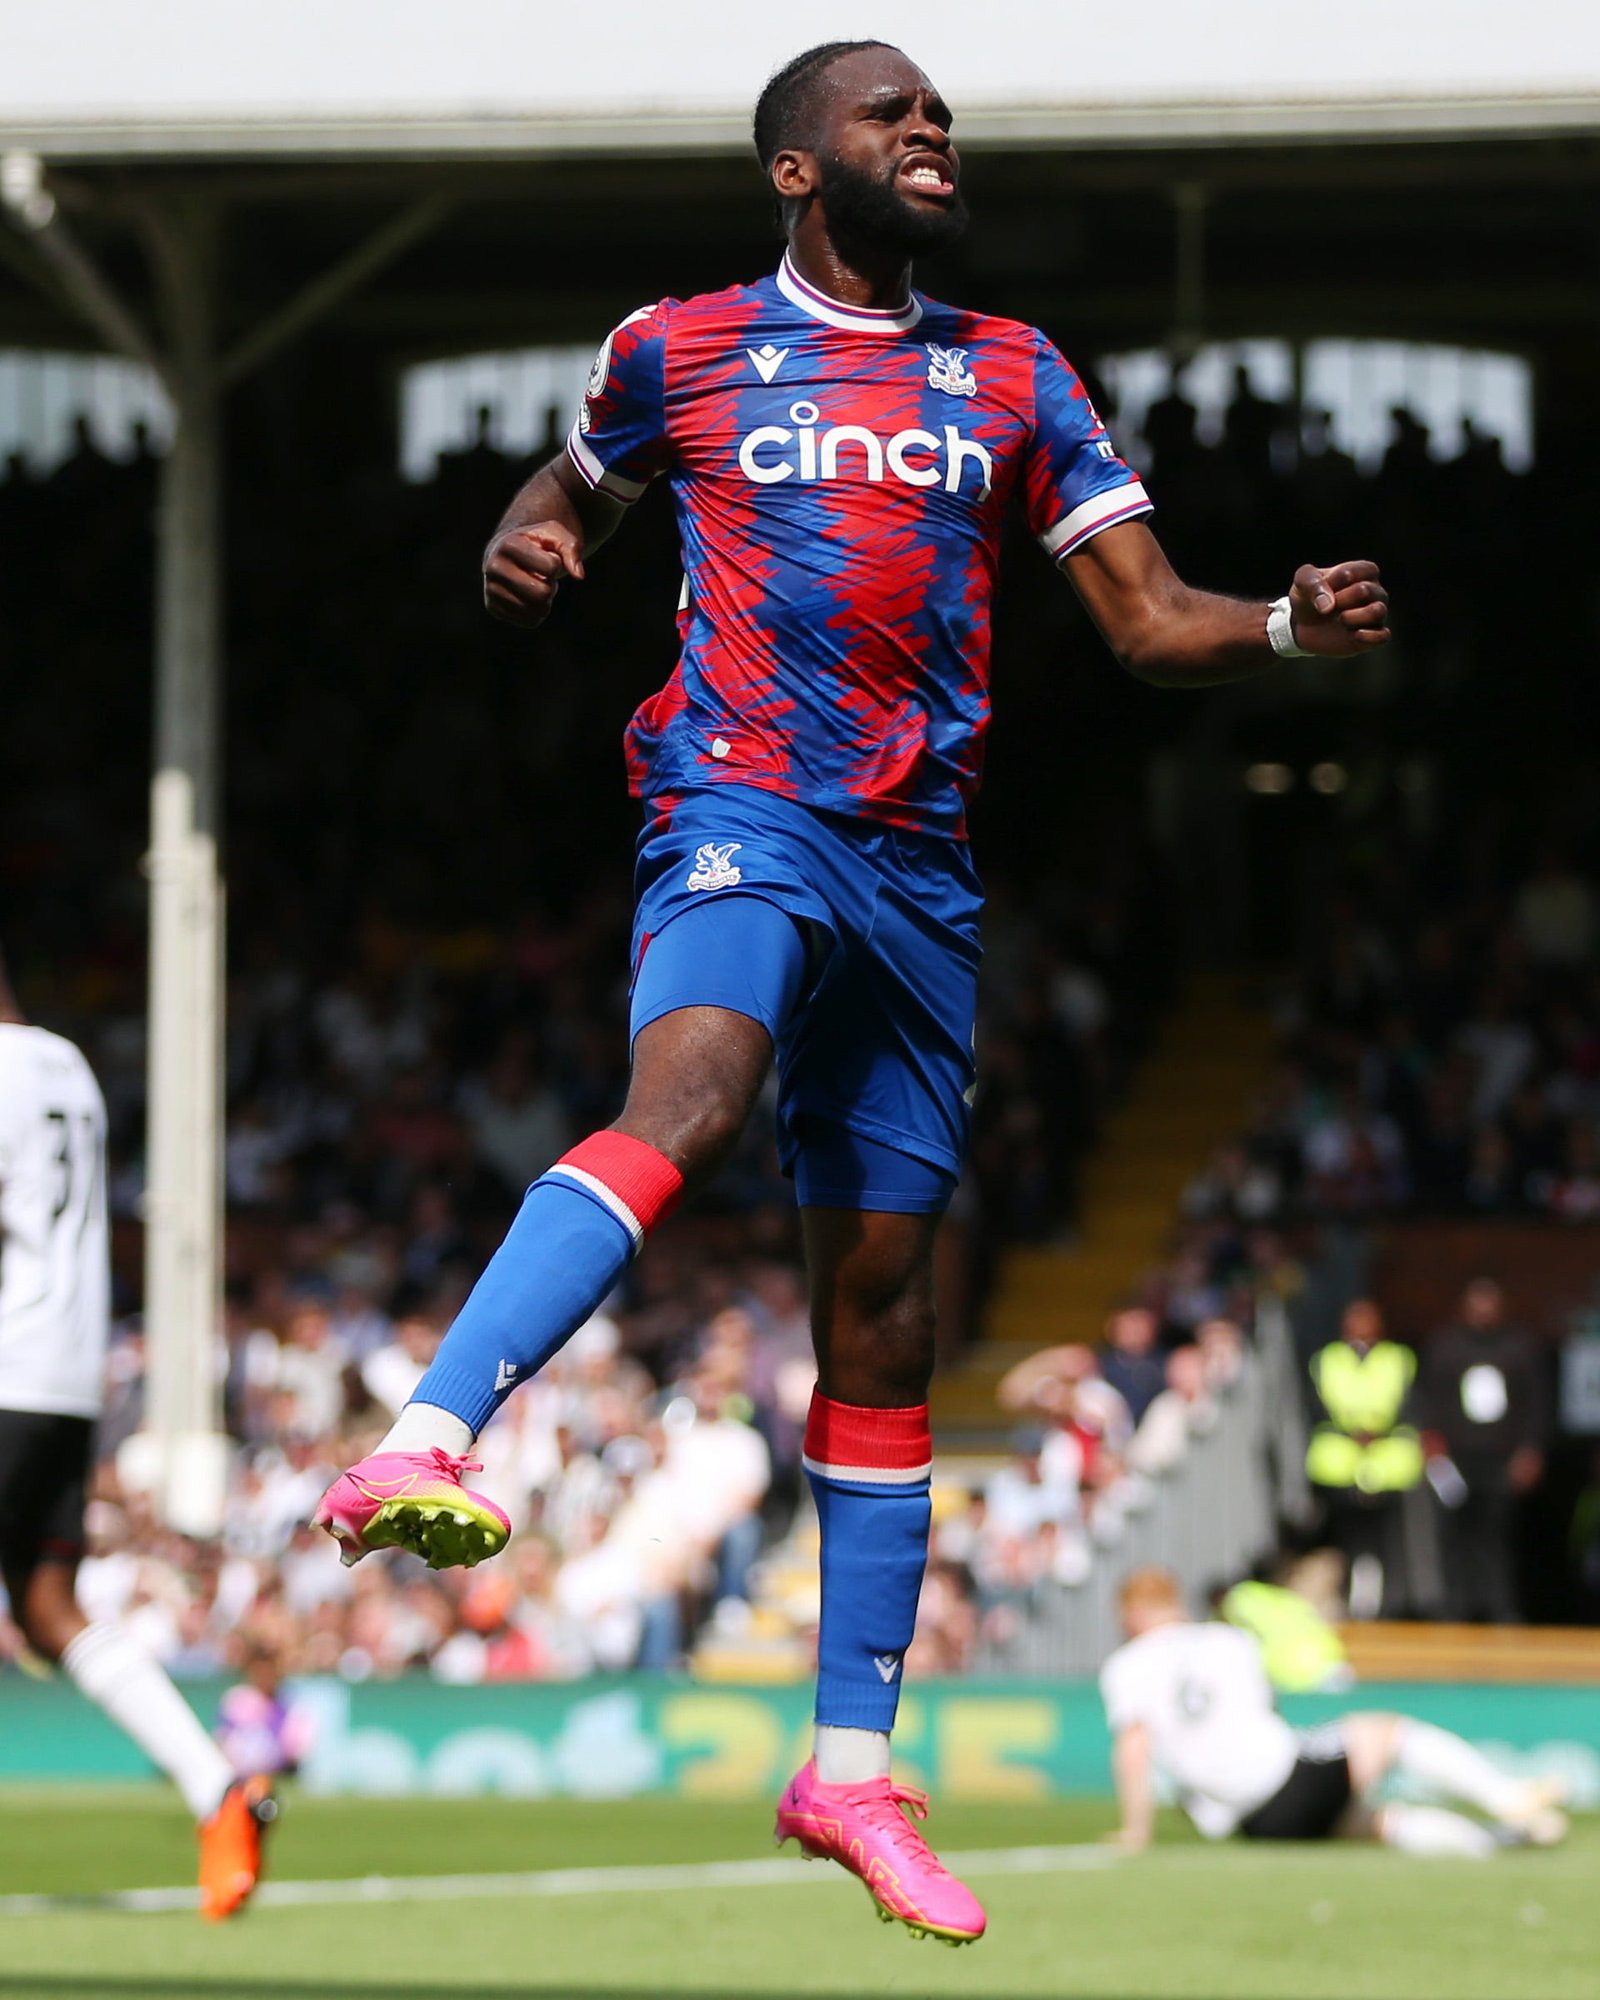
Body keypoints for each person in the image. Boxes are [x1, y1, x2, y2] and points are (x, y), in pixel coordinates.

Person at [316, 39, 1389, 1944]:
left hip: (923, 872)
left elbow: (1146, 621)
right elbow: (559, 495)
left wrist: (1287, 621)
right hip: (740, 802)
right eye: (890, 113)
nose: (930, 131)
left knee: (883, 1322)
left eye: (941, 115)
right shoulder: (681, 345)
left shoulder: (1013, 371)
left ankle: (847, 1772)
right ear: (800, 168)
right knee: (695, 1093)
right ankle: (432, 1429)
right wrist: (529, 543)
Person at [0, 945, 275, 1919]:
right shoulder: (65, 1066)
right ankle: (218, 1789)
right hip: (64, 1377)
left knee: (46, 1602)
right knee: (45, 1605)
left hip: (5, 1365)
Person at [1103, 1569, 1564, 1856]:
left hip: (1252, 1823)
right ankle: (1506, 1798)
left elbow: (1134, 1749)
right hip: (1281, 1776)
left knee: (1374, 1824)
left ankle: (1505, 1842)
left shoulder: (1124, 1666)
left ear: (1130, 1614)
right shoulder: (1227, 1638)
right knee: (1388, 1732)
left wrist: (1135, 1830)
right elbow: (1264, 1706)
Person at [1420, 1276, 1549, 1622]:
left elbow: (1535, 1403)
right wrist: (1433, 1447)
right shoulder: (1445, 1345)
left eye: (1490, 1302)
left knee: (1496, 1536)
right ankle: (1454, 1608)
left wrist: (1530, 1450)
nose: (1484, 1310)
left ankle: (1499, 1607)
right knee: (1453, 1536)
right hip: (1456, 1458)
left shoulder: (1519, 1345)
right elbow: (1428, 1401)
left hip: (1501, 1457)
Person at [1304, 1297, 1424, 1617]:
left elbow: (1408, 1406)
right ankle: (1343, 1600)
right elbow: (1316, 1408)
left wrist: (1376, 1430)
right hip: (1340, 1465)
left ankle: (1384, 1605)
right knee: (1345, 1539)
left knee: (1386, 1542)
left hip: (1387, 1465)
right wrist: (1352, 1430)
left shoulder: (1397, 1359)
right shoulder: (1327, 1360)